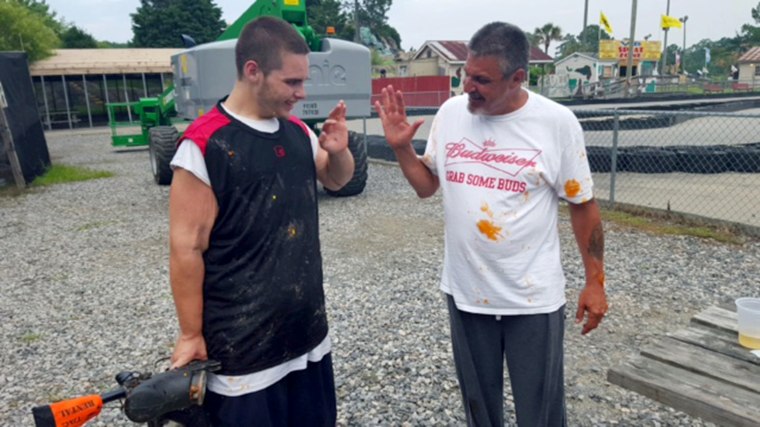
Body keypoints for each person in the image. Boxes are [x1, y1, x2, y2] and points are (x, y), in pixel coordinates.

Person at [375, 22, 608, 426]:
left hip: (531, 299)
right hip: (466, 293)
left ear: (519, 78)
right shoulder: (451, 115)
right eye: (466, 74)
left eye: (482, 79)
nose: (468, 86)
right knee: (479, 411)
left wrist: (595, 281)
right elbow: (427, 186)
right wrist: (401, 150)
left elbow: (582, 205)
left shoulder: (556, 123)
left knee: (540, 413)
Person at [167, 16, 354, 426]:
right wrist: (191, 334)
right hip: (244, 355)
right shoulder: (204, 145)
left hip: (307, 336)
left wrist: (338, 151)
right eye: (291, 82)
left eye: (303, 82)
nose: (301, 93)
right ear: (253, 71)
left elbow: (336, 179)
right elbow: (186, 249)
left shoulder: (298, 132)